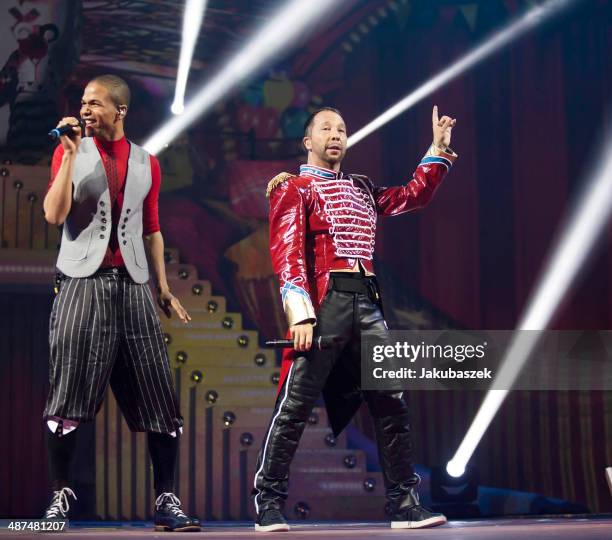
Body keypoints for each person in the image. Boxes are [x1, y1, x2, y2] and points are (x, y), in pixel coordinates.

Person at [252, 105, 457, 531]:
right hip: (325, 304)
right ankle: (268, 501)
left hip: (366, 301)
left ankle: (404, 502)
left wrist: (436, 151)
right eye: (326, 128)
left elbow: (408, 197)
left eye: (342, 128)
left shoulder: (361, 187)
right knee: (295, 405)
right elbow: (287, 255)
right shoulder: (294, 187)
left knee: (391, 401)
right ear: (307, 142)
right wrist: (301, 315)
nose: (336, 134)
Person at [41, 74, 200, 532]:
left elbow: (152, 228)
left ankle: (166, 500)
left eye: (95, 103)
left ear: (120, 111)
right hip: (80, 281)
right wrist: (70, 155)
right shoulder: (69, 150)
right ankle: (59, 497)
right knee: (67, 393)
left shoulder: (148, 162)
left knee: (159, 397)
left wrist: (164, 289)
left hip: (133, 285)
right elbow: (54, 214)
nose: (85, 110)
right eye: (83, 103)